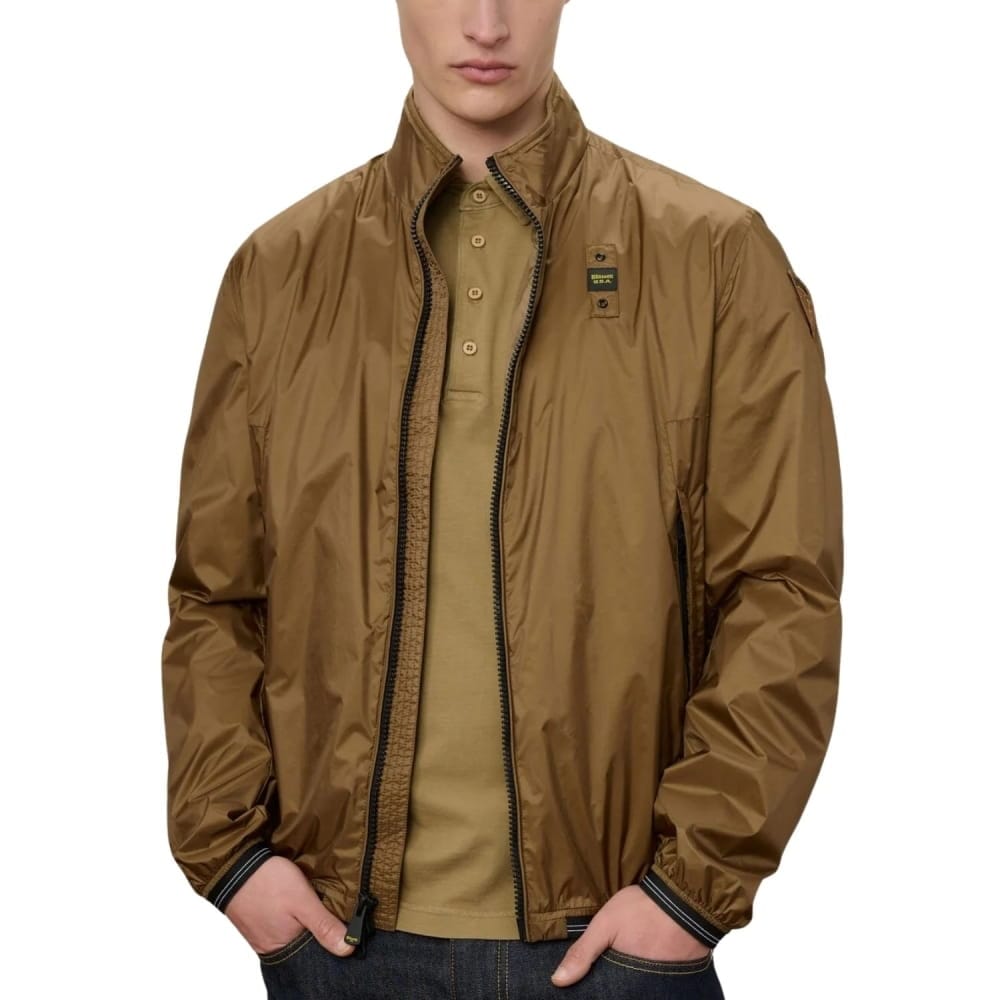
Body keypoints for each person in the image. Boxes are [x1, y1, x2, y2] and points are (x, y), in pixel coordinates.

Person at [160, 2, 843, 997]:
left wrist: (687, 891)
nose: (486, 23)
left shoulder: (714, 258)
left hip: (616, 942)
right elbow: (216, 596)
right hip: (341, 940)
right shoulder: (278, 273)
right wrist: (234, 860)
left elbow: (782, 593)